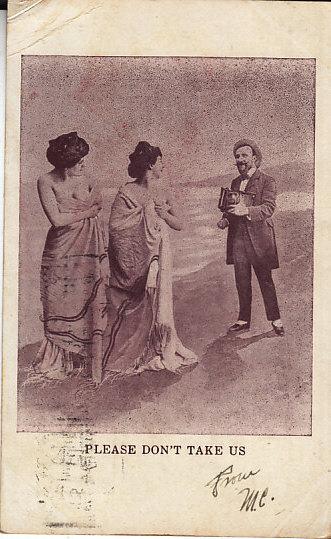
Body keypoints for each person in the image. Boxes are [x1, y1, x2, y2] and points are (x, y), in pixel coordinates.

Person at [102, 141, 198, 378]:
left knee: (158, 294)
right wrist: (142, 217)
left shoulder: (163, 190)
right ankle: (138, 348)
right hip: (138, 254)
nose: (163, 165)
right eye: (160, 161)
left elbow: (179, 224)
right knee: (145, 295)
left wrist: (162, 213)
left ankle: (159, 343)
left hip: (160, 249)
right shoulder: (126, 191)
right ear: (151, 165)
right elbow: (115, 228)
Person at [34, 132, 109, 383]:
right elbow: (56, 219)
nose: (84, 165)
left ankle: (84, 359)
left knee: (87, 296)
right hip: (60, 247)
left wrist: (90, 210)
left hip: (88, 243)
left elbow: (98, 205)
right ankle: (60, 358)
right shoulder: (45, 181)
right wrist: (88, 211)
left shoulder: (87, 179)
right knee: (59, 299)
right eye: (79, 161)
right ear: (67, 163)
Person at [218, 139, 284, 336]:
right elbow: (231, 208)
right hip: (238, 240)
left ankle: (276, 320)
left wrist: (246, 210)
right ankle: (243, 319)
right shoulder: (235, 182)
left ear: (254, 158)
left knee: (265, 280)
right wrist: (225, 219)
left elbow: (269, 208)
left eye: (244, 156)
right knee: (242, 280)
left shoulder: (267, 181)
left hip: (259, 240)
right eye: (237, 157)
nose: (240, 160)